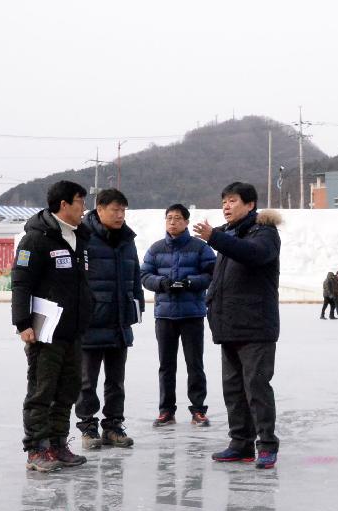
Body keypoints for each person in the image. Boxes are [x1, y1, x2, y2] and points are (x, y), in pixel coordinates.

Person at [192, 182, 282, 470]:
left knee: (256, 387)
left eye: (232, 201)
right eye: (224, 202)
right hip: (228, 325)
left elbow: (253, 255)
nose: (226, 206)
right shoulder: (229, 234)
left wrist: (215, 237)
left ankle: (266, 445)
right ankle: (240, 443)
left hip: (256, 326)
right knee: (233, 389)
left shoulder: (264, 233)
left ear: (250, 204)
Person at [12, 180, 91, 473]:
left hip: (73, 328)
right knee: (42, 389)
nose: (84, 208)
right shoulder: (36, 239)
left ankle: (58, 443)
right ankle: (36, 448)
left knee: (68, 389)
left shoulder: (80, 237)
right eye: (80, 202)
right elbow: (21, 282)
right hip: (45, 331)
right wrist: (22, 323)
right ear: (64, 205)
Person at [75, 188, 144, 450]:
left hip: (119, 321)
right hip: (92, 321)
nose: (119, 215)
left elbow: (135, 274)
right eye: (114, 210)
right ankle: (88, 426)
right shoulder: (84, 236)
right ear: (99, 209)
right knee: (87, 380)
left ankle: (113, 426)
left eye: (123, 210)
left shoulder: (127, 239)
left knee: (116, 380)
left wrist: (135, 307)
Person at [141, 203, 217, 428]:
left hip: (192, 314)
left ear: (186, 222)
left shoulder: (200, 248)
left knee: (195, 364)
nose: (172, 222)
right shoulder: (155, 249)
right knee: (166, 365)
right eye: (169, 218)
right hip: (164, 316)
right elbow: (144, 275)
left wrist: (190, 282)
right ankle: (166, 410)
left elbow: (212, 273)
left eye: (177, 218)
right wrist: (162, 283)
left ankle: (198, 410)